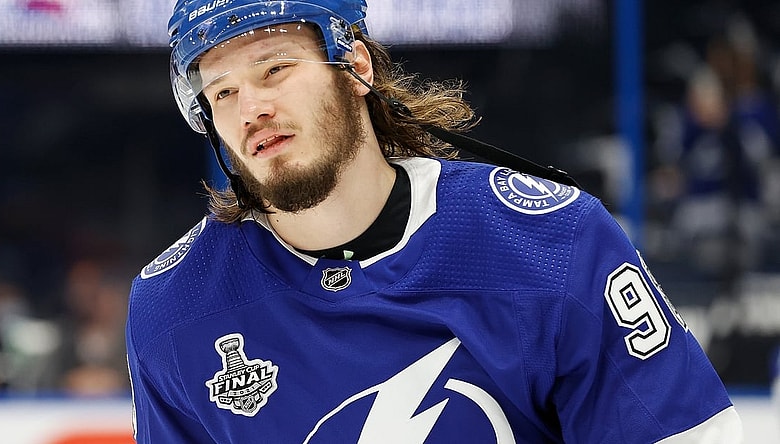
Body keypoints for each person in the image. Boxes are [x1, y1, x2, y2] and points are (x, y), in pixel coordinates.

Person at [125, 0, 743, 442]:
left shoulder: (551, 241)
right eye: (222, 92)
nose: (251, 109)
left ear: (357, 68)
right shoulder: (174, 308)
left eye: (275, 69)